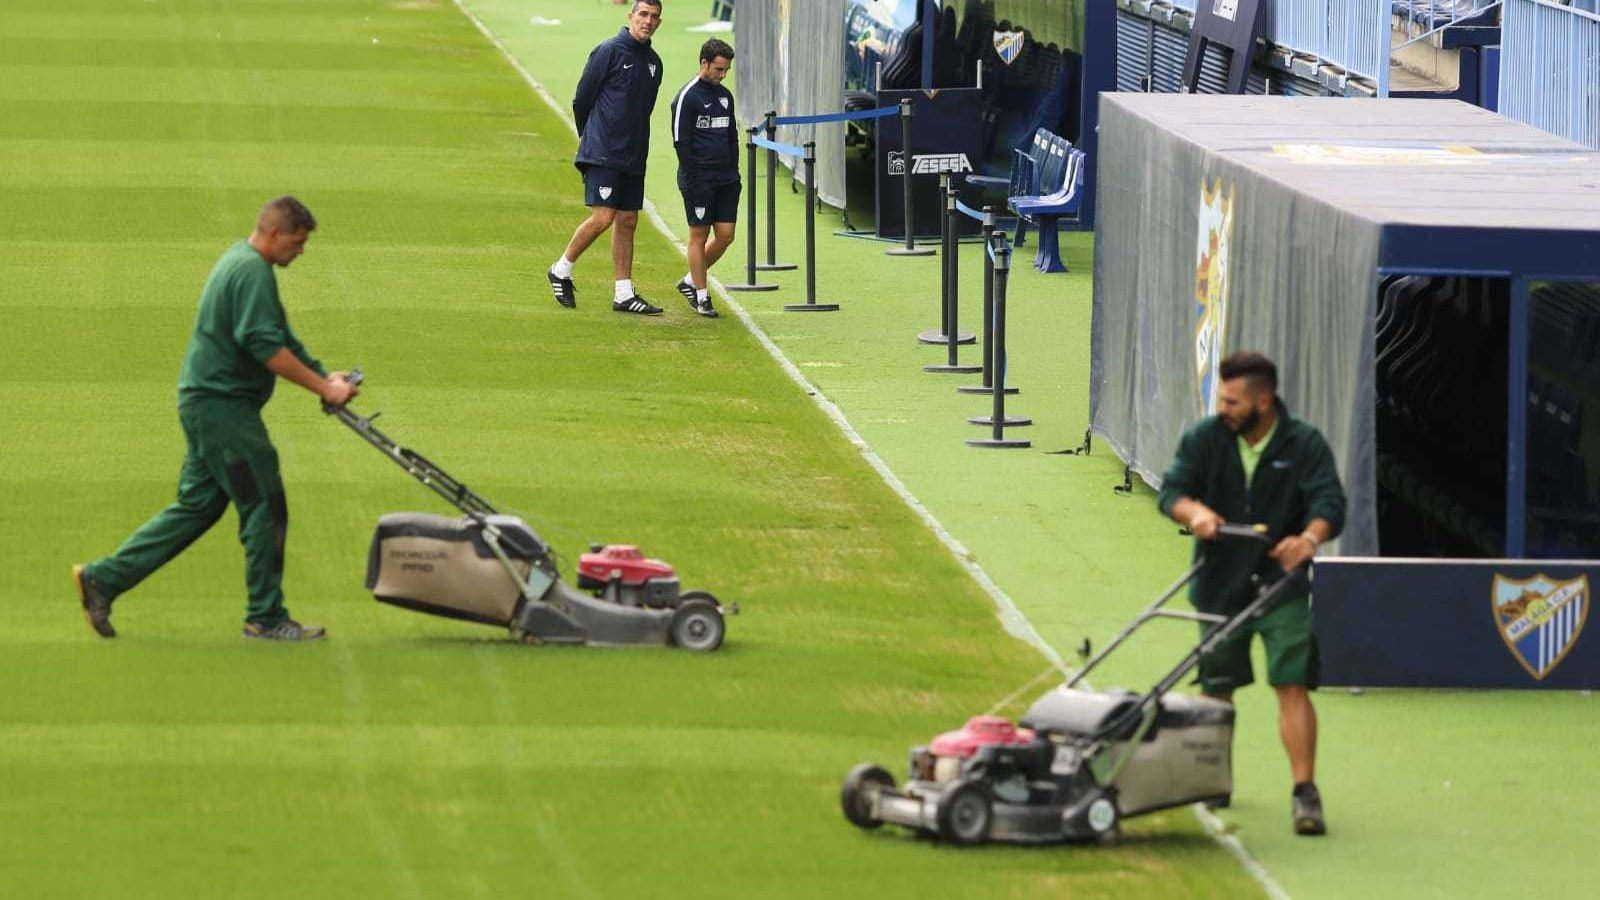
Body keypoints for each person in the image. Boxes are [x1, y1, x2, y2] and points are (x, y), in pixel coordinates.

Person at [72, 196, 358, 641]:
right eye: (298, 243)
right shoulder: (251, 272)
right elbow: (265, 347)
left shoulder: (243, 262)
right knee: (265, 503)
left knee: (198, 507)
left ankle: (102, 579)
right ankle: (265, 617)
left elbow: (280, 335)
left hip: (207, 404)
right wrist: (324, 389)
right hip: (222, 409)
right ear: (275, 233)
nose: (300, 252)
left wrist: (326, 375)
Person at [1156, 351, 1346, 835]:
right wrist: (1195, 513)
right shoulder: (1206, 438)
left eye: (1233, 401)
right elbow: (1172, 491)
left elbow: (1330, 503)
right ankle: (1214, 777)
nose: (1223, 408)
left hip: (1279, 585)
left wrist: (1307, 540)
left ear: (1264, 401)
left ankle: (1305, 792)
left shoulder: (1303, 443)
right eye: (1221, 399)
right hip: (1220, 583)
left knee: (1291, 682)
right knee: (1217, 686)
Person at [547, 0, 666, 316]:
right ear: (631, 16)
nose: (648, 21)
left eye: (654, 17)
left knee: (628, 220)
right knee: (603, 217)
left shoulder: (654, 63)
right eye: (643, 14)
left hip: (634, 153)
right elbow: (582, 98)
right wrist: (590, 139)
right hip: (603, 150)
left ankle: (624, 293)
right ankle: (561, 269)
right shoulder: (608, 51)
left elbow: (645, 109)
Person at [668, 38, 739, 319]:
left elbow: (731, 135)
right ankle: (701, 295)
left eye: (726, 71)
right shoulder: (687, 96)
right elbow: (680, 141)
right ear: (704, 63)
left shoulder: (725, 96)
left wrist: (734, 170)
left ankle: (689, 280)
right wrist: (693, 177)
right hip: (699, 178)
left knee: (725, 236)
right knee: (699, 235)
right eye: (719, 69)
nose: (722, 75)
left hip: (726, 179)